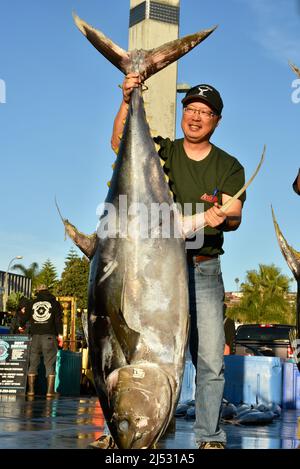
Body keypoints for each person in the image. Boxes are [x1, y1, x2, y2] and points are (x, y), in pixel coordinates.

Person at [108, 74, 246, 450]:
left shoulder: (228, 165)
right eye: (191, 110)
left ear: (216, 120)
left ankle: (209, 436)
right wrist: (127, 98)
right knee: (138, 349)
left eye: (205, 112)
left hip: (202, 269)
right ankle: (130, 427)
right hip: (153, 272)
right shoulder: (162, 152)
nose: (196, 117)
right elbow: (120, 143)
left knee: (210, 359)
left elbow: (234, 211)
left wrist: (224, 216)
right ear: (183, 114)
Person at [21, 284, 63, 398]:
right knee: (49, 363)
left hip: (35, 337)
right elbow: (58, 320)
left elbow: (24, 318)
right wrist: (61, 335)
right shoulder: (54, 303)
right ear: (47, 291)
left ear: (38, 291)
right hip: (49, 337)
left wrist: (21, 325)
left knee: (33, 363)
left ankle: (31, 391)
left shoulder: (32, 303)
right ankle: (50, 392)